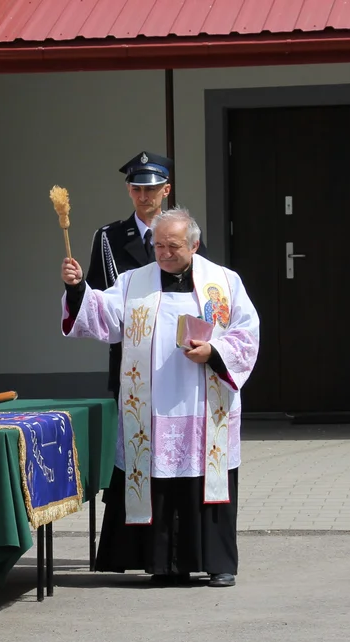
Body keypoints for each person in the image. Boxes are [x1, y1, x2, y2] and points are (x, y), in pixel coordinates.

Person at [61, 207, 259, 587]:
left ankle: (219, 564)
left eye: (173, 245)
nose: (164, 253)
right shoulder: (135, 281)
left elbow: (247, 333)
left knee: (207, 482)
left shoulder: (224, 282)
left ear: (194, 244)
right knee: (159, 483)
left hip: (205, 402)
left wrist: (214, 353)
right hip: (150, 405)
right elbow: (102, 316)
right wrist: (76, 289)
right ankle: (165, 564)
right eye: (158, 245)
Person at [85, 151, 208, 400]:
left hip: (178, 353)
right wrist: (76, 286)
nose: (144, 197)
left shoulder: (186, 233)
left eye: (151, 189)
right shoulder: (109, 237)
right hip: (131, 355)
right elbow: (96, 298)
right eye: (137, 189)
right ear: (128, 190)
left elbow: (204, 291)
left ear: (166, 190)